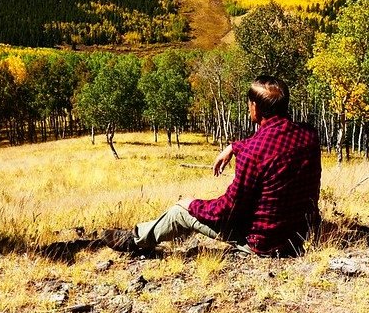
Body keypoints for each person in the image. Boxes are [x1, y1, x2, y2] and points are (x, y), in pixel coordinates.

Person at [102, 75, 322, 258]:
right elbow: (273, 143)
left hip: (263, 243)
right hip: (297, 236)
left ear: (255, 107)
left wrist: (191, 204)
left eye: (249, 104)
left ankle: (136, 240)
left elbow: (227, 209)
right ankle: (144, 234)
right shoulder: (309, 135)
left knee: (179, 212)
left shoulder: (254, 151)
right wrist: (234, 147)